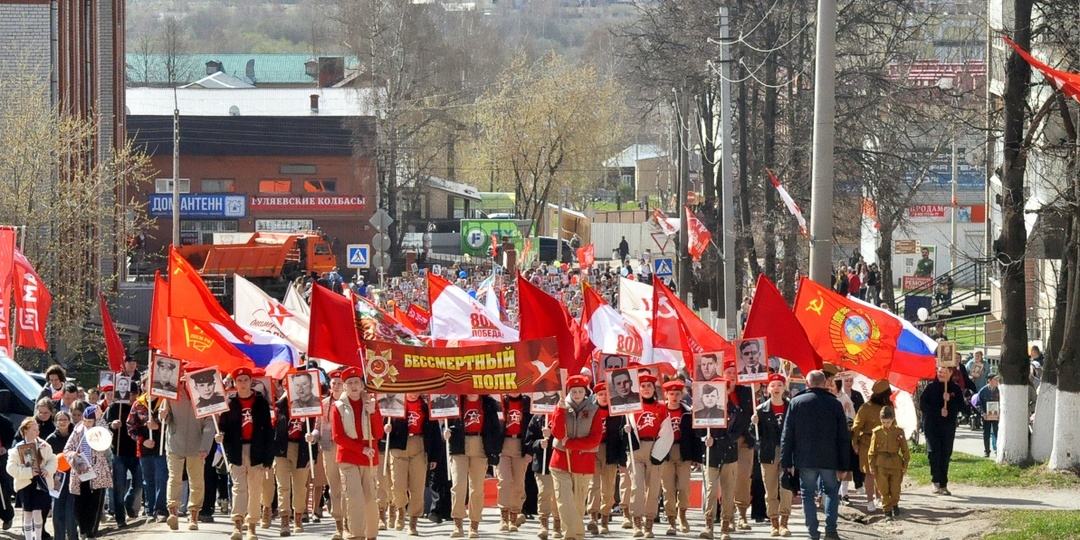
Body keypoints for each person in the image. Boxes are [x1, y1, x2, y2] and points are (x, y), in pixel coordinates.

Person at [780, 370, 850, 540]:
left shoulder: (796, 402)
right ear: (825, 382)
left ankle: (812, 532)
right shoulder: (834, 404)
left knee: (807, 494)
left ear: (807, 382)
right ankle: (831, 530)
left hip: (805, 459)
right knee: (832, 492)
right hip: (829, 458)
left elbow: (787, 434)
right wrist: (845, 465)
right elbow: (843, 436)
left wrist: (786, 461)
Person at [218, 367, 274, 540]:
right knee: (238, 488)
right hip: (236, 451)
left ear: (251, 382)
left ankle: (252, 526)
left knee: (255, 489)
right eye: (239, 380)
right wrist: (220, 435)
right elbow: (223, 427)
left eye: (245, 380)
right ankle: (237, 524)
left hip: (257, 451)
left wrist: (268, 459)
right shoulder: (230, 403)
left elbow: (268, 433)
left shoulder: (261, 403)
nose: (242, 384)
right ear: (235, 383)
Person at [331, 368, 385, 540]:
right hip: (348, 457)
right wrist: (360, 449)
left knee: (370, 499)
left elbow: (378, 434)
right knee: (354, 498)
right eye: (350, 383)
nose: (354, 386)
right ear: (344, 387)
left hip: (369, 458)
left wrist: (374, 413)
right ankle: (357, 535)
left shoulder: (371, 403)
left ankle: (371, 535)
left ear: (362, 385)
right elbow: (337, 436)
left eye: (357, 382)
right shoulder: (337, 407)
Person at [549, 375, 605, 540]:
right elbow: (557, 433)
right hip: (560, 462)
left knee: (579, 504)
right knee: (565, 501)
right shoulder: (561, 406)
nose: (576, 394)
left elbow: (595, 439)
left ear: (585, 391)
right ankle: (570, 535)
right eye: (573, 391)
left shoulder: (594, 410)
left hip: (583, 463)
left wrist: (571, 444)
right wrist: (559, 411)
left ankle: (578, 534)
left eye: (580, 391)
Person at [160, 364, 215, 532]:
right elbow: (166, 416)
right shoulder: (171, 393)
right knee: (174, 478)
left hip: (197, 447)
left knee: (197, 482)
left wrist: (205, 446)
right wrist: (162, 415)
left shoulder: (207, 395)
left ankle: (194, 515)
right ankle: (173, 513)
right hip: (175, 443)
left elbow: (210, 423)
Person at [696, 376, 749, 540]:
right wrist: (705, 438)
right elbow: (698, 433)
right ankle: (708, 525)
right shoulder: (702, 411)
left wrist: (717, 441)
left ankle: (725, 526)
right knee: (710, 491)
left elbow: (735, 434)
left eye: (722, 389)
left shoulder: (737, 412)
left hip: (729, 456)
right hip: (711, 457)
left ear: (726, 391)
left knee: (728, 492)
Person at [444, 394, 501, 538]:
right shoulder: (455, 402)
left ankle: (474, 524)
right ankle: (458, 523)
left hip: (480, 445)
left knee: (476, 488)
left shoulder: (488, 405)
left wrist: (494, 452)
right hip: (458, 446)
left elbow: (495, 429)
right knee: (458, 486)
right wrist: (445, 433)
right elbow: (445, 423)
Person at [625, 372, 671, 538]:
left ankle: (649, 523)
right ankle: (637, 522)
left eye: (649, 386)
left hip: (655, 448)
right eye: (642, 386)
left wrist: (658, 452)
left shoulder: (662, 407)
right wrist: (626, 431)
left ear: (654, 388)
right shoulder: (631, 407)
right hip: (636, 449)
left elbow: (667, 432)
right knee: (636, 487)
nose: (645, 389)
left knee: (653, 488)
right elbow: (623, 429)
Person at [387, 392, 439, 536]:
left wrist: (434, 456)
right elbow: (383, 421)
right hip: (399, 447)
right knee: (397, 486)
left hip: (419, 444)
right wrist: (387, 429)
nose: (414, 393)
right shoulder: (395, 403)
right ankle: (401, 508)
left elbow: (434, 432)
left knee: (417, 486)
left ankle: (413, 522)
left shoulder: (425, 406)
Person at [63, 403, 113, 540]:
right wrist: (72, 455)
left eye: (90, 421)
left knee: (94, 504)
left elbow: (108, 438)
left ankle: (91, 532)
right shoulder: (78, 430)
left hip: (97, 473)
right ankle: (82, 528)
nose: (87, 424)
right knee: (79, 504)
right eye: (85, 421)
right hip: (80, 472)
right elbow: (67, 449)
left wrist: (101, 419)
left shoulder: (100, 429)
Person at [272, 385, 316, 536]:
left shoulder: (310, 407)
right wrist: (282, 400)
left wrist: (313, 456)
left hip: (301, 449)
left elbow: (314, 430)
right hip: (282, 450)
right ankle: (285, 518)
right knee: (283, 486)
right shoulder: (280, 407)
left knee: (300, 487)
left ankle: (298, 515)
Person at [754, 373, 793, 537]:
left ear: (784, 388)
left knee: (786, 488)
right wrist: (753, 424)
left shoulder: (792, 407)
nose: (776, 388)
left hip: (787, 452)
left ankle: (784, 522)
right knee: (770, 490)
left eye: (779, 385)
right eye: (773, 385)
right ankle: (774, 522)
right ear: (768, 389)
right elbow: (755, 436)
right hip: (768, 452)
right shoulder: (760, 410)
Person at [584, 381, 625, 535]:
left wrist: (621, 460)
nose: (603, 397)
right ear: (596, 396)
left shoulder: (617, 412)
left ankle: (605, 519)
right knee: (593, 484)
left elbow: (621, 437)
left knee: (607, 487)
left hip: (610, 450)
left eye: (606, 394)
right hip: (593, 449)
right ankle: (593, 517)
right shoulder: (589, 410)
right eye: (600, 394)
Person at [126, 374, 168, 523]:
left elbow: (173, 424)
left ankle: (161, 509)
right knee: (148, 480)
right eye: (147, 384)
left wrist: (158, 426)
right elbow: (130, 426)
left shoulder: (165, 402)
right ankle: (150, 510)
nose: (151, 386)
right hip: (145, 448)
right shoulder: (138, 404)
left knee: (162, 478)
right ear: (143, 386)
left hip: (162, 447)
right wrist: (142, 441)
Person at [659, 380, 699, 536]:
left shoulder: (688, 412)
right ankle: (671, 519)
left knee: (683, 486)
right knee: (668, 488)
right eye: (671, 394)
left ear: (682, 394)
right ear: (666, 395)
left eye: (677, 394)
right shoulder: (661, 411)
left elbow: (695, 436)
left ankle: (682, 515)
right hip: (665, 452)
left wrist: (696, 457)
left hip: (684, 452)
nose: (674, 397)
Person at [9, 417, 58, 540]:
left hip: (41, 483)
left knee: (38, 512)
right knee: (28, 513)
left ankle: (39, 537)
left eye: (38, 429)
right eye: (34, 429)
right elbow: (10, 468)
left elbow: (53, 459)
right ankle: (28, 538)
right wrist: (29, 472)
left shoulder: (44, 445)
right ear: (25, 431)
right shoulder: (17, 448)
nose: (37, 432)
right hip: (25, 485)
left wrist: (48, 470)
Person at [312, 369, 346, 540]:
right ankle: (338, 525)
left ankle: (348, 522)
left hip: (347, 448)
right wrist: (312, 435)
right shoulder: (324, 403)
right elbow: (318, 427)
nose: (336, 386)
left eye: (339, 383)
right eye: (333, 383)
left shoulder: (349, 403)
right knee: (334, 488)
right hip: (328, 447)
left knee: (347, 486)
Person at [919, 366, 962, 496]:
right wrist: (938, 411)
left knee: (945, 454)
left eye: (944, 372)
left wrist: (950, 400)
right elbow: (923, 405)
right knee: (934, 453)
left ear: (950, 373)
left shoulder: (955, 388)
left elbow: (962, 406)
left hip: (947, 427)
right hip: (932, 426)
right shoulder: (931, 387)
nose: (941, 374)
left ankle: (943, 484)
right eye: (939, 371)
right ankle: (935, 481)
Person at [104, 378, 141, 528]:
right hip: (119, 453)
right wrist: (112, 425)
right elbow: (103, 425)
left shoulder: (139, 407)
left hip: (136, 452)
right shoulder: (114, 408)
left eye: (134, 394)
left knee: (138, 484)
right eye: (129, 394)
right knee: (118, 488)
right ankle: (120, 519)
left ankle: (129, 500)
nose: (131, 397)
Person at [850, 379, 891, 513]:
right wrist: (854, 444)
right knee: (870, 473)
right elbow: (856, 427)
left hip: (885, 444)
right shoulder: (865, 408)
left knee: (882, 472)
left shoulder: (888, 408)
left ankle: (879, 497)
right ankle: (869, 500)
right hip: (867, 444)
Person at [497, 392, 532, 533]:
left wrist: (530, 450)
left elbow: (532, 426)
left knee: (518, 482)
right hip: (504, 443)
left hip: (520, 444)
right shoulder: (500, 401)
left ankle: (514, 515)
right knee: (504, 480)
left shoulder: (528, 402)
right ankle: (503, 516)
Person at [867, 406, 909, 521]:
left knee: (895, 489)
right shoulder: (877, 432)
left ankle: (894, 504)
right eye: (884, 422)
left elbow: (904, 449)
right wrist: (871, 465)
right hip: (881, 463)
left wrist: (905, 464)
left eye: (888, 422)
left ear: (893, 419)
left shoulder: (898, 432)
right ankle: (887, 511)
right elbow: (872, 450)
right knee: (883, 489)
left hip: (895, 463)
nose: (886, 424)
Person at [524, 409, 558, 539]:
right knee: (544, 492)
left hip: (559, 461)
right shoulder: (537, 418)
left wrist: (553, 435)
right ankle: (543, 524)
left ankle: (557, 523)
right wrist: (539, 443)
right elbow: (529, 441)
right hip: (542, 462)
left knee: (557, 495)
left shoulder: (563, 414)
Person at [46, 411, 77, 540]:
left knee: (71, 510)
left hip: (73, 476)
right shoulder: (51, 439)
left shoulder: (75, 437)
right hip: (57, 477)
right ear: (55, 422)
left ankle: (73, 537)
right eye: (60, 420)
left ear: (69, 421)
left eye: (65, 419)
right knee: (58, 509)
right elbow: (46, 459)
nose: (63, 422)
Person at [976, 373, 1001, 457]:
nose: (997, 381)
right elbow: (978, 403)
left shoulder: (999, 390)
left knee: (996, 432)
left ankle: (998, 449)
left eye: (997, 380)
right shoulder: (983, 391)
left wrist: (1000, 412)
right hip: (986, 416)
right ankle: (987, 451)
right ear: (989, 380)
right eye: (995, 380)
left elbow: (1003, 402)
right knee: (986, 433)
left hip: (996, 416)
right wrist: (983, 412)